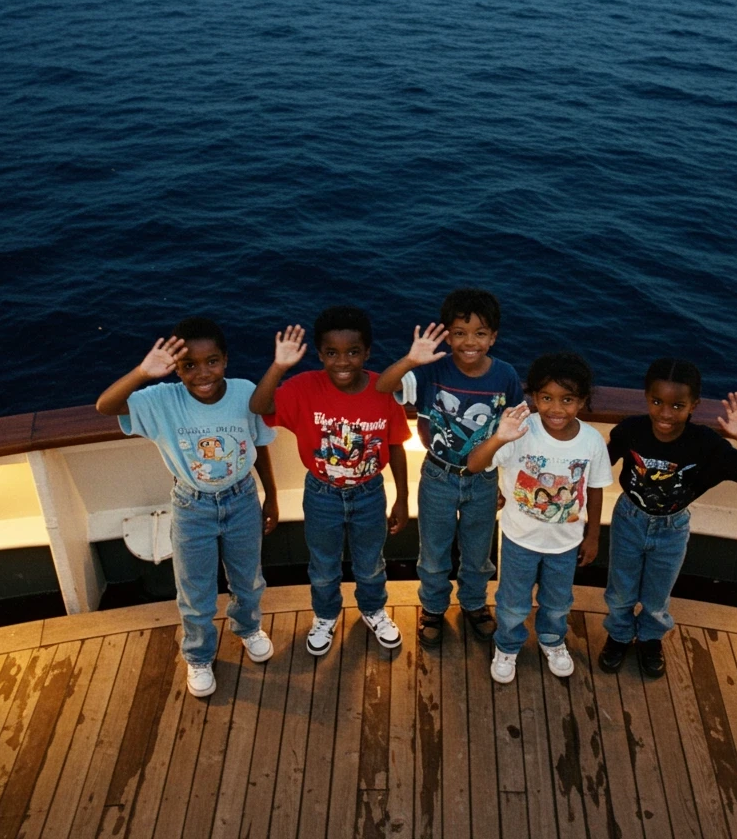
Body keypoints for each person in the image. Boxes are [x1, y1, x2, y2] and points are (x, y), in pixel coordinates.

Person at [96, 317, 278, 699]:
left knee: (249, 580)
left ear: (226, 359)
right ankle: (198, 655)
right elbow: (106, 405)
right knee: (195, 592)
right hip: (191, 507)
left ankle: (248, 628)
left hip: (243, 499)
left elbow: (259, 444)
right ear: (176, 369)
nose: (202, 373)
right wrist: (143, 372)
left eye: (212, 361)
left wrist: (271, 496)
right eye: (189, 365)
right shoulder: (161, 399)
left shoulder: (246, 392)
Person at [250, 306, 410, 655]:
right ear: (320, 354)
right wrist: (279, 366)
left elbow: (396, 444)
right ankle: (325, 615)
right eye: (332, 353)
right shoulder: (303, 387)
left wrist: (402, 498)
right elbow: (260, 406)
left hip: (370, 494)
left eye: (353, 352)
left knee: (371, 563)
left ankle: (373, 610)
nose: (343, 362)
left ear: (367, 353)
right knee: (323, 566)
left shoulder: (383, 389)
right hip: (321, 495)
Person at [598, 358, 737, 678]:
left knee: (657, 595)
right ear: (646, 397)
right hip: (629, 519)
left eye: (677, 406)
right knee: (620, 591)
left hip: (672, 528)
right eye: (657, 402)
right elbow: (598, 463)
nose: (665, 413)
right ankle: (619, 635)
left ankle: (649, 639)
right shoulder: (630, 430)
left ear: (693, 406)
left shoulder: (705, 443)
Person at [376, 288, 524, 647]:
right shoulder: (432, 370)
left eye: (480, 333)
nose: (469, 342)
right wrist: (411, 360)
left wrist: (505, 482)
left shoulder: (506, 375)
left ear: (493, 337)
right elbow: (383, 386)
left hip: (484, 479)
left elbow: (513, 433)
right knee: (433, 553)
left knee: (477, 553)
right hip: (437, 476)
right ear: (447, 336)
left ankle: (474, 603)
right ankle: (433, 607)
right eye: (459, 333)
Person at [467, 353, 614, 683]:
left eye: (567, 400)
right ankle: (507, 645)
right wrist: (500, 436)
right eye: (546, 398)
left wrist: (593, 536)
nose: (556, 408)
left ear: (582, 401)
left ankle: (552, 639)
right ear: (533, 396)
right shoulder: (521, 430)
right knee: (512, 602)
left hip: (566, 545)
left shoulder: (591, 440)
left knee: (558, 601)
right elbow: (475, 464)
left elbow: (595, 488)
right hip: (518, 540)